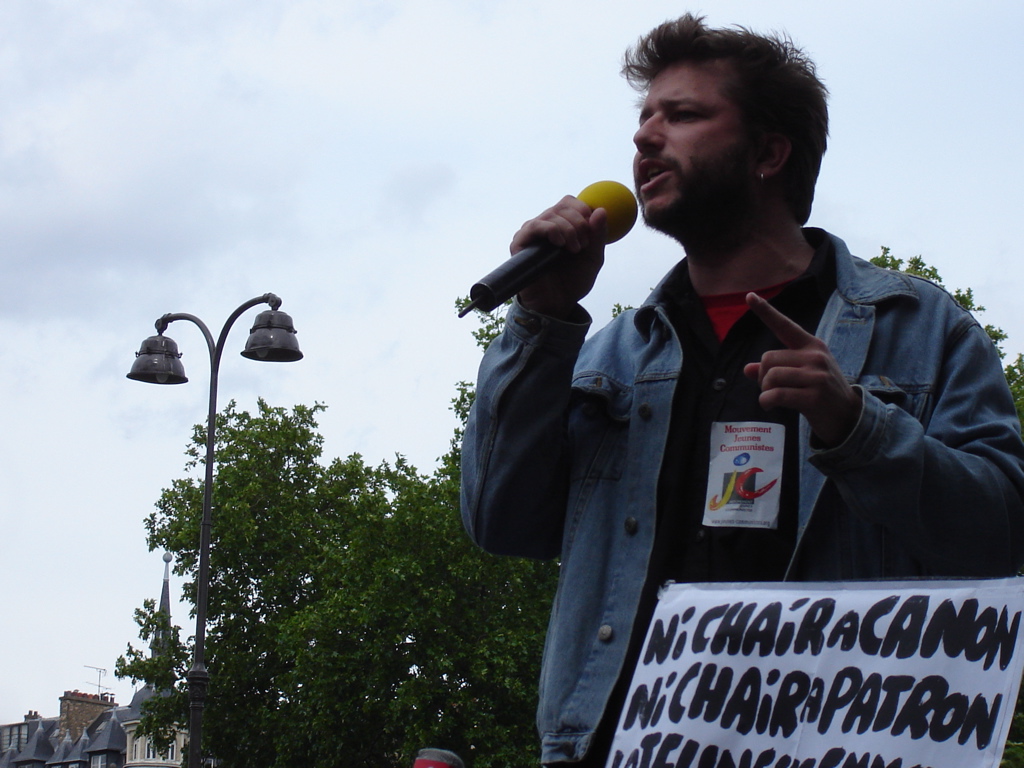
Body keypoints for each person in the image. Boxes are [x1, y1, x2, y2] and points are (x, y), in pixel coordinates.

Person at [460, 14, 1024, 767]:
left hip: (832, 743)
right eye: (644, 119)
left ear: (768, 153)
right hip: (618, 743)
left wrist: (859, 429)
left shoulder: (918, 328)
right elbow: (500, 521)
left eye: (684, 115)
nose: (646, 138)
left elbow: (1004, 534)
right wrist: (542, 318)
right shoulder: (611, 357)